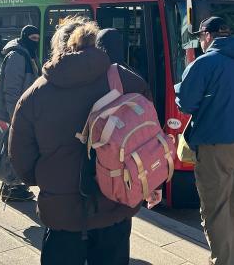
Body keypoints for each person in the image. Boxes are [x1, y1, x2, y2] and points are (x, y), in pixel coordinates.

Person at [9, 18, 152, 265]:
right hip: (115, 203)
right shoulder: (127, 80)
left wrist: (46, 179)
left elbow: (21, 158)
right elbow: (147, 131)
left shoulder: (35, 94)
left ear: (59, 47)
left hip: (62, 210)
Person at [175, 16, 234, 265]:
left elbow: (186, 104)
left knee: (215, 211)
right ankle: (233, 259)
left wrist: (180, 87)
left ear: (207, 36)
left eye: (200, 37)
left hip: (218, 144)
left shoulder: (204, 63)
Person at [0, 25, 41, 202]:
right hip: (17, 111)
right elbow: (11, 90)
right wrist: (14, 116)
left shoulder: (27, 53)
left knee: (18, 148)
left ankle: (13, 185)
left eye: (37, 39)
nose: (35, 42)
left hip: (24, 111)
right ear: (25, 38)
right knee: (15, 149)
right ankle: (10, 187)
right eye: (32, 39)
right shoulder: (17, 56)